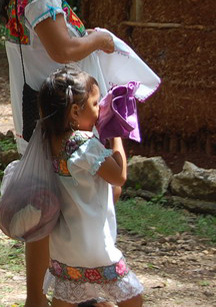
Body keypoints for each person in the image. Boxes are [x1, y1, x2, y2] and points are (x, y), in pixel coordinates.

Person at [0, 0, 115, 307]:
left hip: (40, 112)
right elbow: (62, 50)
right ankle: (45, 296)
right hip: (53, 118)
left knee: (46, 207)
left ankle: (52, 294)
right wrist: (99, 38)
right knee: (51, 209)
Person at [37, 66, 143, 306]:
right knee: (133, 299)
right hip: (94, 245)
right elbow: (119, 177)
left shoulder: (50, 139)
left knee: (66, 296)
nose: (100, 111)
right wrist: (117, 134)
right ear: (75, 112)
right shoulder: (84, 143)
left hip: (64, 244)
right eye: (96, 105)